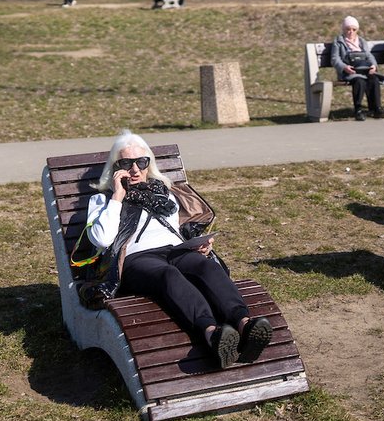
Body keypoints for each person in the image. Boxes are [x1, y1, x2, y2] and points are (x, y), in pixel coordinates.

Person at [85, 130, 273, 369]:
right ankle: (213, 335)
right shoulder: (103, 200)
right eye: (126, 163)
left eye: (141, 162)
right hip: (136, 260)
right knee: (168, 275)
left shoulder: (164, 193)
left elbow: (176, 231)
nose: (134, 170)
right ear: (115, 167)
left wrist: (199, 244)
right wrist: (118, 197)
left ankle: (245, 324)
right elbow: (101, 240)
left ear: (149, 164)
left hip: (175, 251)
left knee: (205, 266)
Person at [330, 16, 384, 121]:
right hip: (349, 71)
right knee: (359, 81)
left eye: (354, 29)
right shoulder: (338, 42)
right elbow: (335, 59)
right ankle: (358, 109)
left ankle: (376, 108)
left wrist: (373, 65)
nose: (351, 32)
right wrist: (344, 67)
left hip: (364, 69)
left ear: (357, 30)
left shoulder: (361, 41)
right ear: (344, 29)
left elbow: (369, 56)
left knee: (374, 79)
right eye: (348, 29)